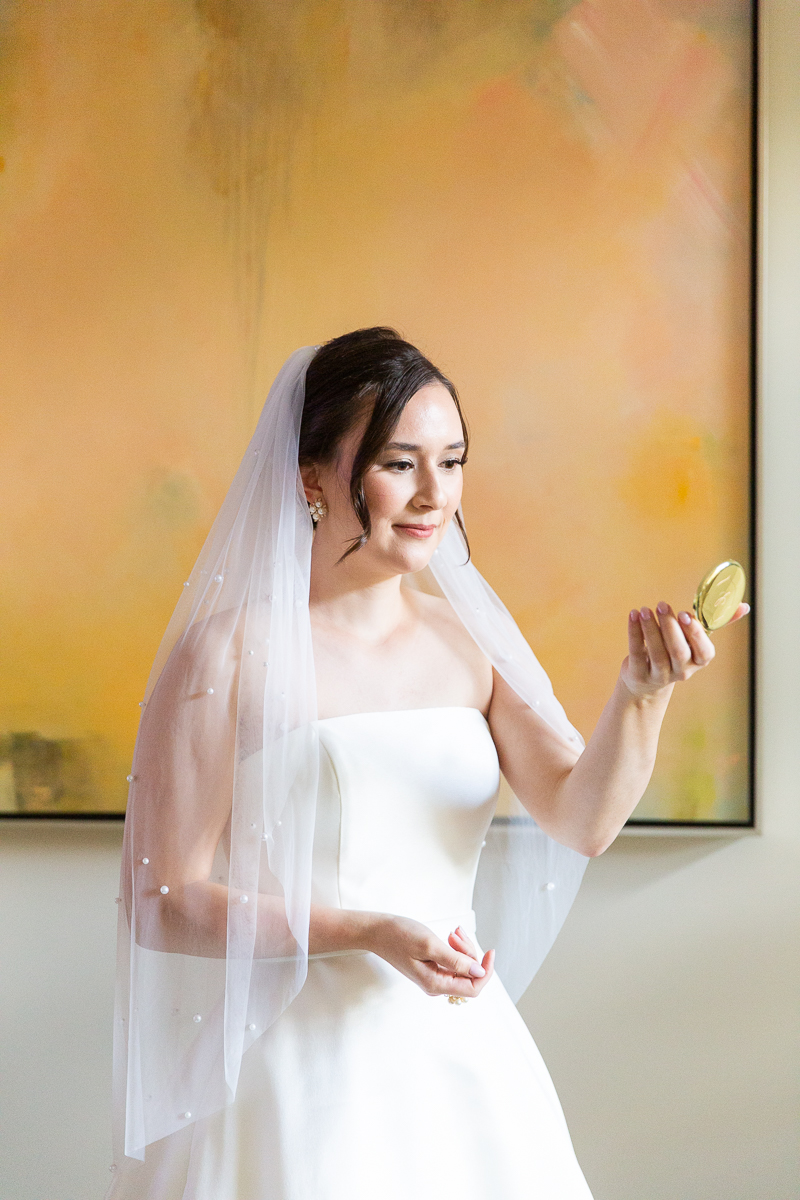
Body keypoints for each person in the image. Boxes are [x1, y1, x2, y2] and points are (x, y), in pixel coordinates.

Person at [106, 328, 748, 1200]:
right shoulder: (226, 656)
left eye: (452, 462)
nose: (433, 494)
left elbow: (582, 819)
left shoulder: (465, 642)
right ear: (309, 478)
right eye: (399, 463)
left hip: (460, 1061)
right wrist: (368, 932)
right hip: (294, 1074)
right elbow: (161, 902)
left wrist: (643, 691)